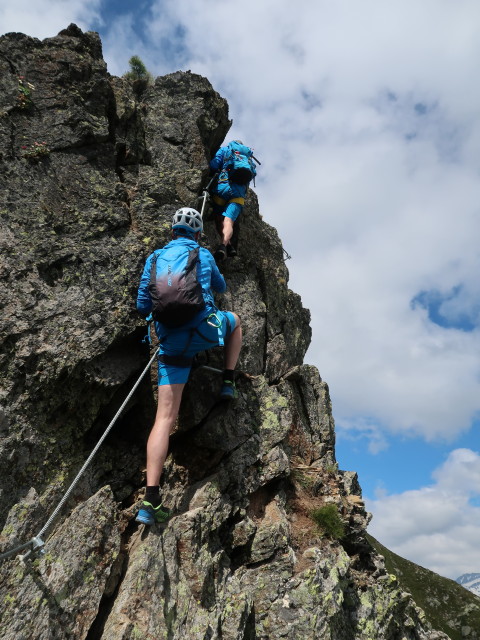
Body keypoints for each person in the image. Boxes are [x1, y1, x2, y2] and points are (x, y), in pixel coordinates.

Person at [135, 207, 242, 525]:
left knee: (164, 420)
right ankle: (228, 379)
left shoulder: (154, 258)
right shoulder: (203, 253)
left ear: (172, 232)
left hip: (170, 345)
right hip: (205, 332)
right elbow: (220, 288)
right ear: (196, 233)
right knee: (236, 323)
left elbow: (143, 305)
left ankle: (150, 500)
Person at [209, 140, 256, 261]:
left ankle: (227, 244)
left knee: (218, 217)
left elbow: (214, 165)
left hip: (223, 188)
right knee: (229, 221)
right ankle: (224, 245)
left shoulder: (225, 150)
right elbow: (253, 173)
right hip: (238, 194)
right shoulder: (248, 158)